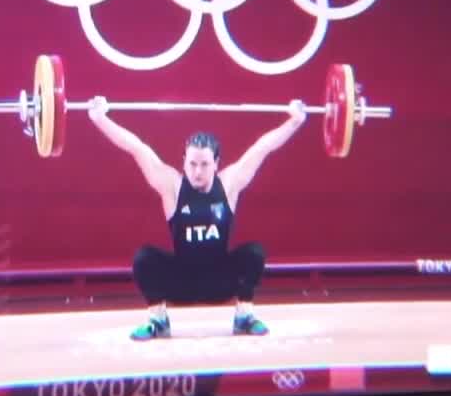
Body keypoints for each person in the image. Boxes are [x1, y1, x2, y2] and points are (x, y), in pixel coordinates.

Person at [87, 96, 304, 340]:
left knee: (254, 253)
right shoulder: (172, 186)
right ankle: (158, 319)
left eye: (204, 164)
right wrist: (100, 119)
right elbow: (136, 147)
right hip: (181, 282)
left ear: (216, 163)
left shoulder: (229, 184)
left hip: (220, 281)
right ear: (184, 162)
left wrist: (294, 121)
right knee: (144, 258)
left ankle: (244, 316)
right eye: (192, 164)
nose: (197, 171)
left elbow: (262, 147)